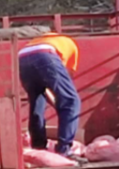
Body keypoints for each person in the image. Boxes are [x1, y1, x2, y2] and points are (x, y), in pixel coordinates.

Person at [19, 32, 85, 162]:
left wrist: (58, 101)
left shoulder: (49, 40)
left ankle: (38, 147)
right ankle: (64, 150)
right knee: (72, 101)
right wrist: (61, 105)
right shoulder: (71, 46)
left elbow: (51, 87)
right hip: (44, 54)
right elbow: (66, 82)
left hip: (22, 56)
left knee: (37, 100)